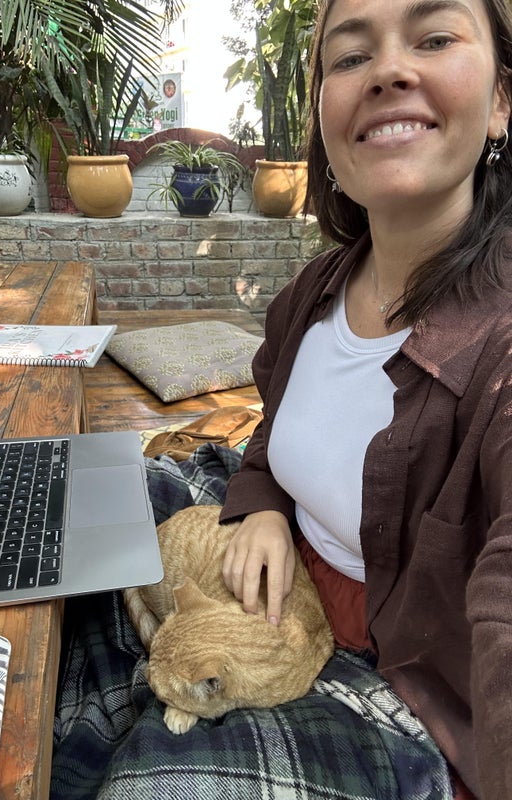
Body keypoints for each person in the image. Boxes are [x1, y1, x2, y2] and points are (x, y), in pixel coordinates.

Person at [220, 0, 512, 798]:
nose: (388, 71)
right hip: (290, 583)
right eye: (350, 58)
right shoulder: (317, 289)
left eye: (435, 38)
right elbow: (275, 423)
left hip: (413, 697)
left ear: (501, 100)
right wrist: (263, 502)